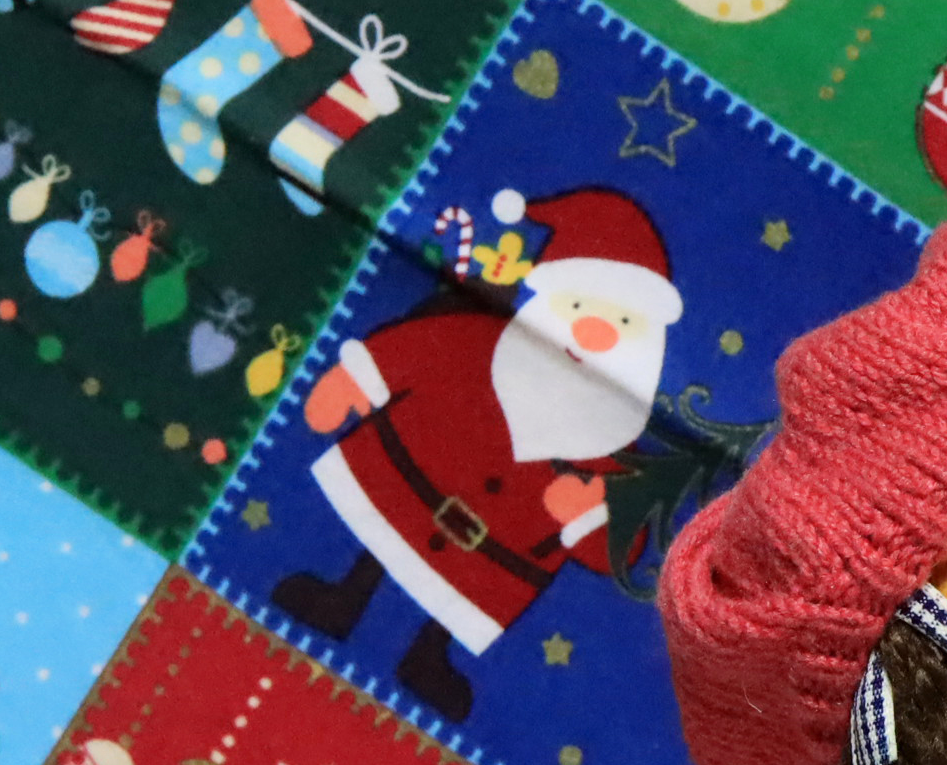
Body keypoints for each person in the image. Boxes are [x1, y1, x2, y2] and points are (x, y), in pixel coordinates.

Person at [272, 188, 679, 720]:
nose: (594, 332)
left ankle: (427, 654)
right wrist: (358, 379)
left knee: (456, 598)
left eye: (624, 324)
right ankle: (345, 597)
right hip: (400, 482)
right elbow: (422, 348)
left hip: (493, 560)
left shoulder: (613, 452)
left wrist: (590, 514)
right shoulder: (480, 342)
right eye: (578, 306)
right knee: (383, 540)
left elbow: (619, 549)